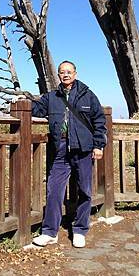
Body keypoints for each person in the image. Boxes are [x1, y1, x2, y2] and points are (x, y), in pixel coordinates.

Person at [31, 60, 107, 248]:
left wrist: (99, 145)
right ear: (58, 75)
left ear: (75, 73)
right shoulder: (52, 97)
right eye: (62, 72)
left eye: (69, 72)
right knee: (54, 190)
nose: (65, 75)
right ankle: (50, 232)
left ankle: (80, 229)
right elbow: (37, 109)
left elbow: (99, 121)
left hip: (83, 148)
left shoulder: (87, 95)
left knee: (84, 190)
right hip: (60, 148)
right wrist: (21, 102)